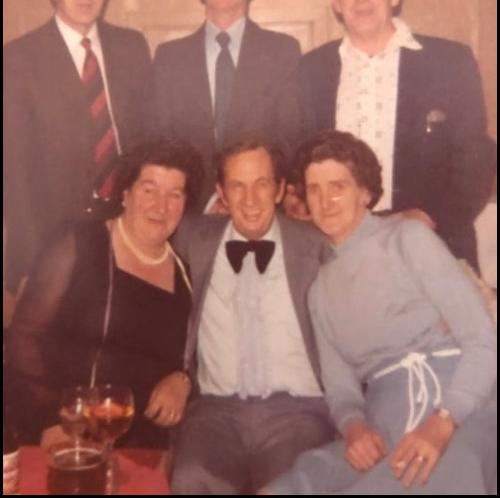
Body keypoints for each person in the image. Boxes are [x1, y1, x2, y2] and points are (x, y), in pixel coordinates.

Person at [264, 131, 497, 495]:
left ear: (365, 193)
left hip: (463, 411)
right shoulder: (319, 292)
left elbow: (483, 340)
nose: (325, 201)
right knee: (300, 479)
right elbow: (340, 389)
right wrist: (355, 427)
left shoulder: (407, 239)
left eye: (338, 186)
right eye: (314, 189)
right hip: (387, 426)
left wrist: (444, 420)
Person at [298, 0, 496, 269]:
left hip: (431, 243)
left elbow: (476, 158)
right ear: (335, 1)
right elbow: (298, 158)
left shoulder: (450, 62)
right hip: (339, 251)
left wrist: (427, 217)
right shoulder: (311, 70)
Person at [5, 140, 204, 448]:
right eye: (149, 190)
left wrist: (183, 381)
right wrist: (51, 420)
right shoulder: (80, 245)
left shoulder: (185, 275)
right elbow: (25, 336)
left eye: (174, 194)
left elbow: (196, 356)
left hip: (141, 437)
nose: (161, 206)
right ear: (126, 194)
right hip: (66, 426)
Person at [170, 140, 334, 494]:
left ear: (279, 190)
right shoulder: (194, 237)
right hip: (215, 413)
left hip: (298, 412)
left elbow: (368, 243)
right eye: (237, 186)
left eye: (261, 184)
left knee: (285, 487)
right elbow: (135, 230)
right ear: (221, 193)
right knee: (190, 481)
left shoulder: (316, 242)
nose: (250, 200)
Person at [3, 0, 152, 295]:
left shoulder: (132, 47)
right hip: (53, 244)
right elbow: (14, 173)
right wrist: (32, 264)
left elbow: (148, 143)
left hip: (127, 234)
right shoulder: (18, 59)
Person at [152, 0, 305, 211]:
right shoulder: (169, 59)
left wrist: (241, 199)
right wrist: (210, 200)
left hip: (260, 211)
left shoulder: (282, 52)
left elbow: (290, 142)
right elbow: (162, 147)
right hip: (191, 213)